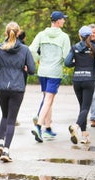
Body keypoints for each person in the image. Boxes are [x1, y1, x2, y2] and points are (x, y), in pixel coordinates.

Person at [0, 21, 35, 162]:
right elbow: (32, 70)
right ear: (18, 33)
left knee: (4, 115)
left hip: (1, 87)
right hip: (17, 87)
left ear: (5, 33)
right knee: (12, 119)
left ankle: (0, 142)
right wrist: (25, 69)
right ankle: (6, 151)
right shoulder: (25, 50)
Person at [29, 11, 71, 142]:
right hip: (54, 72)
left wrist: (39, 59)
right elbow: (66, 56)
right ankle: (39, 127)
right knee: (48, 100)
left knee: (48, 99)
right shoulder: (64, 37)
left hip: (42, 71)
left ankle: (48, 129)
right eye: (63, 19)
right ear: (58, 21)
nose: (64, 21)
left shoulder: (41, 34)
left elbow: (31, 49)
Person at [65, 26, 95, 144]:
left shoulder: (74, 48)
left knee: (82, 107)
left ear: (80, 36)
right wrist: (94, 66)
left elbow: (67, 63)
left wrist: (76, 62)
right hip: (89, 80)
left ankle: (84, 135)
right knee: (85, 108)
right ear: (90, 36)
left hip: (77, 80)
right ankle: (76, 126)